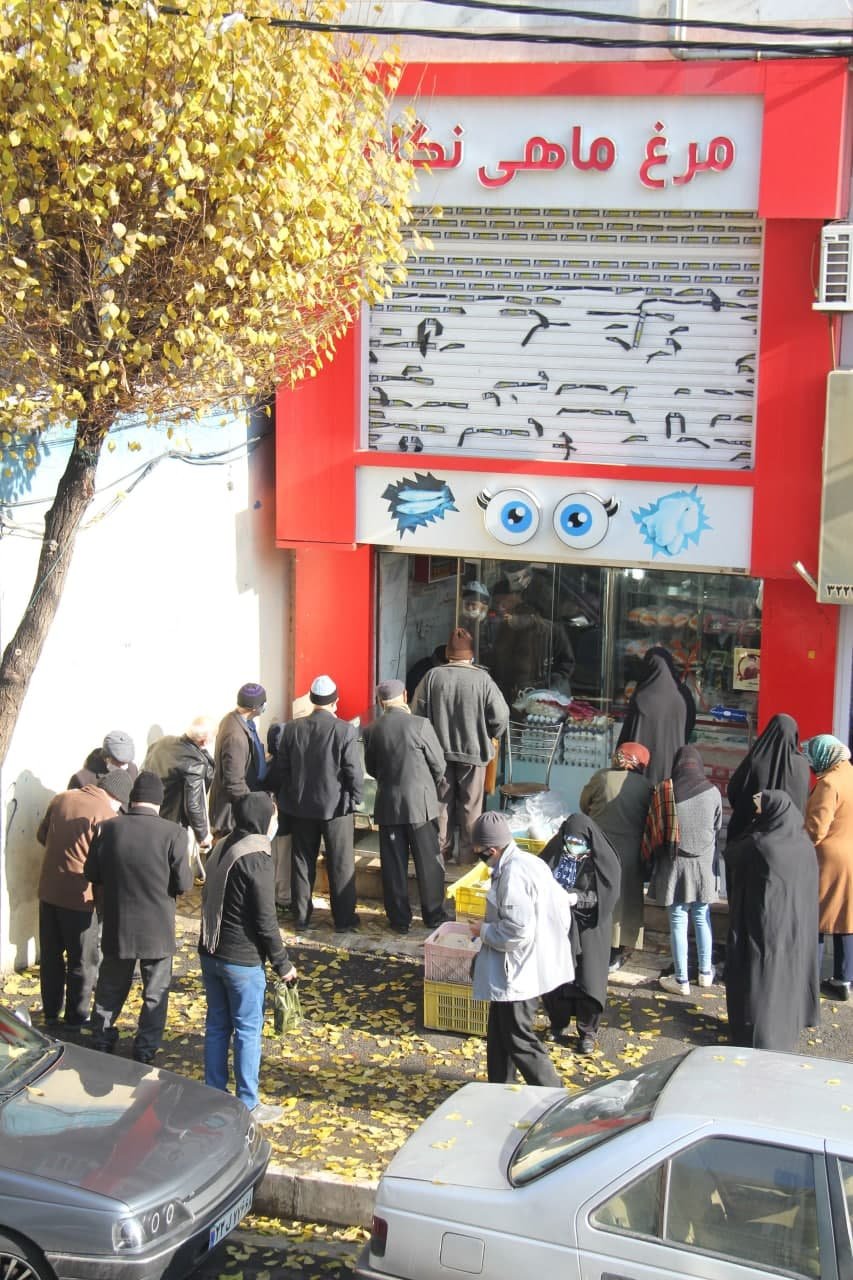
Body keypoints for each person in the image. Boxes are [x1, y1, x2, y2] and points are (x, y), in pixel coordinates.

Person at [199, 793, 297, 1125]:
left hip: (210, 951)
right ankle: (248, 1104)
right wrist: (283, 964)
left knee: (217, 1026)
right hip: (241, 960)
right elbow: (265, 921)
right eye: (274, 815)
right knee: (247, 1030)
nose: (275, 822)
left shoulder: (221, 846)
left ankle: (213, 1094)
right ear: (263, 818)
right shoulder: (256, 857)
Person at [85, 771, 193, 1063]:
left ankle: (102, 1038)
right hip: (157, 928)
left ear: (132, 799)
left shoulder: (107, 828)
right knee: (155, 993)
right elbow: (184, 884)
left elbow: (91, 873)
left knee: (110, 986)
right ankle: (145, 1049)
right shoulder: (174, 833)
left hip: (118, 924)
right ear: (159, 801)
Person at [469, 811, 573, 1086]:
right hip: (524, 963)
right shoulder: (530, 862)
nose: (479, 857)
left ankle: (553, 1094)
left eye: (479, 852)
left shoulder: (513, 875)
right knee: (499, 1034)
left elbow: (517, 930)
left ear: (492, 850)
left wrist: (483, 930)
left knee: (518, 1038)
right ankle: (499, 1088)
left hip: (517, 970)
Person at [35, 771, 133, 1028]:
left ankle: (50, 1013)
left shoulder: (62, 798)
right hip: (81, 898)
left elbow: (41, 836)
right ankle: (76, 1016)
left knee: (51, 956)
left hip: (48, 890)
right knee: (82, 961)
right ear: (117, 797)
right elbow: (106, 863)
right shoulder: (107, 815)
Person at [724, 789, 820, 1049]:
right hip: (796, 922)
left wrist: (751, 829)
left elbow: (731, 855)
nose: (756, 812)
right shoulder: (804, 845)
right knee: (788, 972)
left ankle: (760, 1031)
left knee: (762, 974)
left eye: (759, 807)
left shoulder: (760, 843)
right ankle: (788, 1025)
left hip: (764, 921)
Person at [271, 674, 362, 932]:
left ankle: (301, 917)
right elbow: (353, 771)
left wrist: (284, 796)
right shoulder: (344, 730)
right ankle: (343, 919)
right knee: (340, 863)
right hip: (337, 808)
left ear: (312, 700)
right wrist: (356, 798)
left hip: (301, 808)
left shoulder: (292, 729)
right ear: (335, 702)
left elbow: (282, 769)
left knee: (302, 862)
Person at [412, 627, 509, 865]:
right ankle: (468, 857)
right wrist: (490, 735)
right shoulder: (483, 679)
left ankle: (439, 855)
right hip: (474, 754)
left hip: (438, 755)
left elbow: (416, 715)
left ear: (448, 653)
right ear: (471, 655)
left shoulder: (432, 677)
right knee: (471, 808)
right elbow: (500, 716)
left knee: (441, 805)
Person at [362, 679, 448, 935]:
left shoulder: (372, 729)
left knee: (393, 865)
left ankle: (399, 920)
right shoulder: (420, 724)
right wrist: (427, 785)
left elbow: (371, 768)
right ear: (405, 695)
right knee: (428, 862)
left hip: (389, 804)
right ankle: (433, 915)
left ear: (380, 702)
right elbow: (439, 764)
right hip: (420, 804)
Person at [541, 812, 621, 1054]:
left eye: (579, 842)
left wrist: (577, 898)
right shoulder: (556, 852)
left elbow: (607, 895)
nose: (573, 846)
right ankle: (558, 1022)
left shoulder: (602, 861)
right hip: (559, 926)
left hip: (590, 927)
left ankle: (587, 1032)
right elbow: (539, 875)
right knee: (557, 978)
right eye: (570, 841)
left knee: (589, 979)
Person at [644, 745, 721, 996]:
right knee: (701, 915)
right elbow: (717, 826)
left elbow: (654, 828)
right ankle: (705, 973)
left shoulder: (664, 790)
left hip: (673, 865)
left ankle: (681, 979)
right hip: (703, 866)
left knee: (678, 919)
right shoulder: (713, 792)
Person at [579, 742, 653, 972]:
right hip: (630, 852)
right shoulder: (646, 787)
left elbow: (584, 805)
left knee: (594, 894)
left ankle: (589, 944)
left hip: (598, 848)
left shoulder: (601, 777)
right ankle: (616, 952)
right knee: (626, 901)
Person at [803, 734, 853, 1001]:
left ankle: (809, 978)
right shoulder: (850, 775)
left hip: (828, 860)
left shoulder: (829, 783)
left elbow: (816, 829)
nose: (811, 763)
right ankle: (844, 979)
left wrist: (797, 843)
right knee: (846, 918)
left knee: (817, 918)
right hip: (850, 856)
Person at [143, 717, 216, 868]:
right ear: (203, 741)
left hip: (149, 813)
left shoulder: (162, 742)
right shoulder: (195, 761)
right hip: (172, 822)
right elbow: (193, 805)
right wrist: (203, 834)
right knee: (172, 866)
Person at [726, 712, 810, 843]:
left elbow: (734, 790)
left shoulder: (756, 761)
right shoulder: (802, 765)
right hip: (790, 838)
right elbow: (805, 800)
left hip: (751, 838)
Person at [617, 648, 688, 785]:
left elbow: (628, 733)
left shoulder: (641, 697)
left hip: (641, 767)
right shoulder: (680, 699)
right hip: (670, 765)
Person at [490, 596, 575, 706]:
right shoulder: (507, 630)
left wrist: (549, 682)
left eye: (522, 615)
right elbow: (499, 659)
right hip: (515, 689)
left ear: (533, 616)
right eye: (516, 614)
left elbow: (567, 662)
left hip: (547, 692)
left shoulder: (552, 632)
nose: (517, 618)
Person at [209, 683, 269, 837]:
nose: (265, 706)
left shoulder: (244, 722)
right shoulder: (235, 735)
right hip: (233, 817)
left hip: (241, 807)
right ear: (255, 708)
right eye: (263, 703)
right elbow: (234, 782)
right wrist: (254, 808)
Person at [68, 729, 137, 790]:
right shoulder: (81, 780)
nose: (122, 766)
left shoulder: (132, 770)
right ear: (106, 758)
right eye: (118, 762)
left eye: (126, 762)